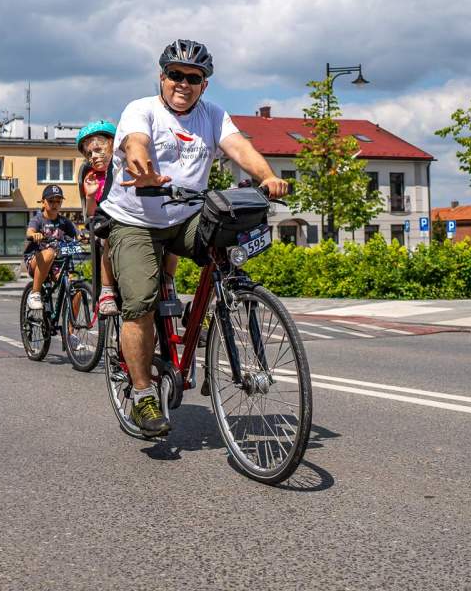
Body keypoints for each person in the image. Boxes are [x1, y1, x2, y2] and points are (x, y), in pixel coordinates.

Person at [101, 38, 289, 437]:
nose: (182, 83)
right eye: (175, 75)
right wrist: (145, 171)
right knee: (140, 302)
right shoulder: (142, 109)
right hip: (136, 220)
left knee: (227, 246)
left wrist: (268, 176)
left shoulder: (213, 115)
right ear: (162, 76)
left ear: (204, 84)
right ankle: (142, 394)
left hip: (186, 217)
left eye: (193, 78)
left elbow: (239, 146)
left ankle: (209, 311)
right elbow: (137, 143)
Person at [77, 120, 121, 315]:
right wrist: (90, 195)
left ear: (113, 143)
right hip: (106, 229)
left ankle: (168, 284)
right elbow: (91, 217)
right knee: (108, 236)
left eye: (97, 150)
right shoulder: (93, 178)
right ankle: (107, 291)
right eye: (89, 154)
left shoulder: (123, 169)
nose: (93, 157)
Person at [23, 184, 78, 311]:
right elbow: (29, 232)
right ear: (43, 202)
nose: (55, 204)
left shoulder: (65, 222)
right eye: (51, 201)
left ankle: (70, 329)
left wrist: (84, 238)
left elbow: (77, 235)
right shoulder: (38, 219)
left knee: (75, 290)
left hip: (56, 265)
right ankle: (35, 293)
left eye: (58, 201)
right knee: (49, 252)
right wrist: (34, 234)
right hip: (36, 261)